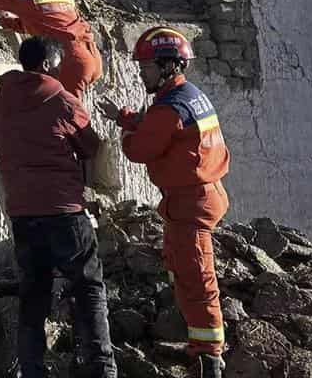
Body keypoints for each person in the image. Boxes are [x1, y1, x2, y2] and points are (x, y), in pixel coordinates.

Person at [96, 27, 231, 378]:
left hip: (191, 203)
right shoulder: (186, 96)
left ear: (168, 65)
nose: (142, 73)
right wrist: (125, 117)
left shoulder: (170, 108)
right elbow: (158, 124)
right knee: (184, 270)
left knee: (197, 280)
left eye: (146, 67)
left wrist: (125, 133)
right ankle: (201, 349)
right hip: (198, 196)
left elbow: (140, 148)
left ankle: (209, 358)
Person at [0, 36, 117, 378]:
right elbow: (90, 147)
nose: (60, 72)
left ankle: (32, 370)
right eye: (57, 66)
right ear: (46, 65)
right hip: (64, 211)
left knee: (33, 295)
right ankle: (101, 369)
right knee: (88, 288)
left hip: (23, 213)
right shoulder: (63, 101)